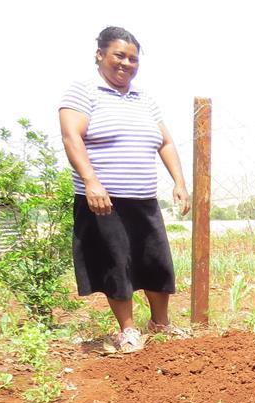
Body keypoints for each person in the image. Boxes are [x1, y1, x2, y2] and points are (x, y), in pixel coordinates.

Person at [60, 26, 190, 354]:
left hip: (144, 199)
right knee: (117, 264)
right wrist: (91, 181)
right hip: (105, 201)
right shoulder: (83, 92)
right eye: (119, 55)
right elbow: (71, 137)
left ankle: (161, 324)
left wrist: (179, 183)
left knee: (156, 262)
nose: (126, 63)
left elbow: (166, 142)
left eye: (133, 58)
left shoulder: (144, 99)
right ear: (100, 54)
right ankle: (128, 330)